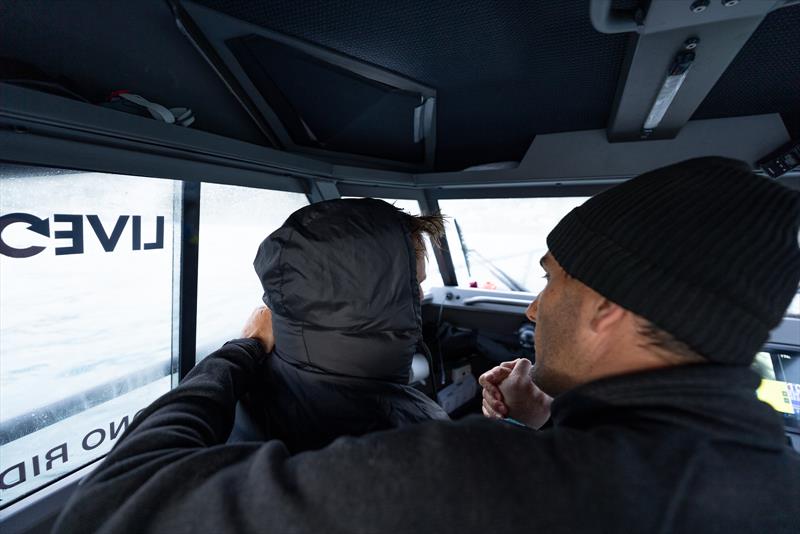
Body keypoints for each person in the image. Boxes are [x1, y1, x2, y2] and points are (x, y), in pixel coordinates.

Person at [54, 158, 800, 534]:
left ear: (607, 306)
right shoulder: (763, 470)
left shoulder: (479, 479)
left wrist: (234, 354)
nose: (535, 305)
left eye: (552, 280)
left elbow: (108, 508)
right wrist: (528, 428)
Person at [231, 198, 448, 452]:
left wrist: (246, 346)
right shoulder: (418, 436)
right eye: (412, 287)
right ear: (368, 298)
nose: (420, 297)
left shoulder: (237, 394)